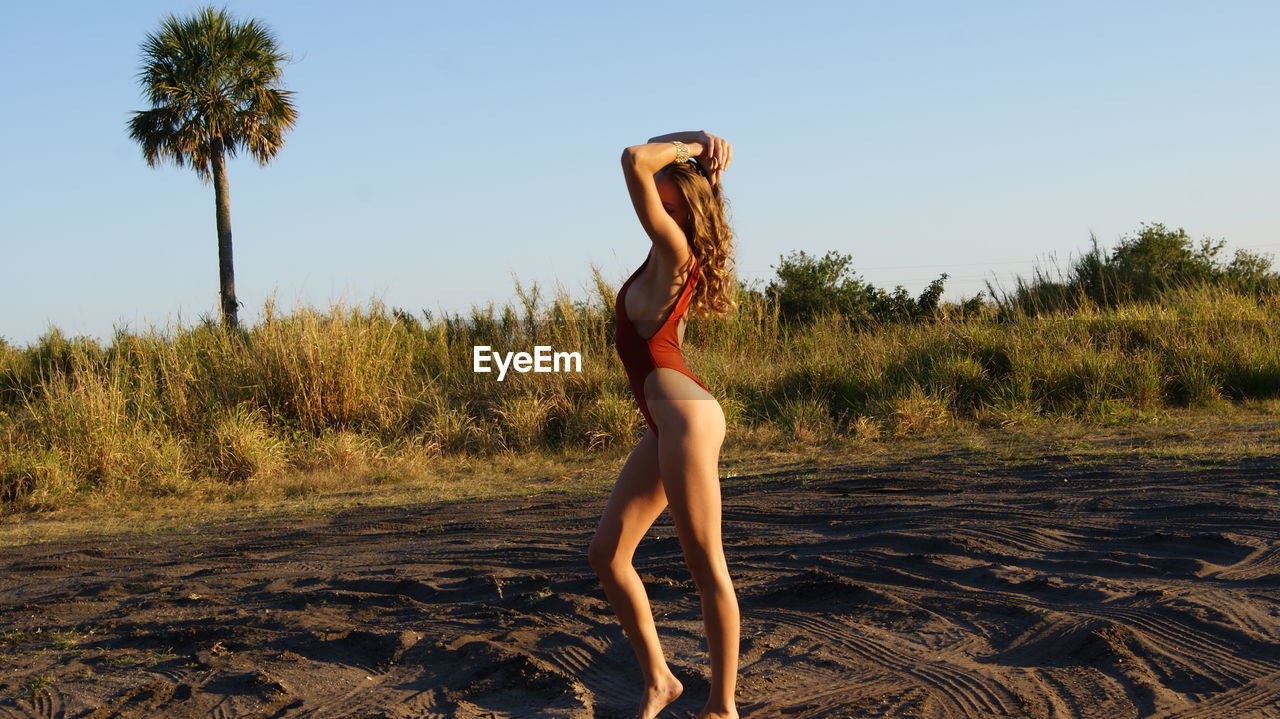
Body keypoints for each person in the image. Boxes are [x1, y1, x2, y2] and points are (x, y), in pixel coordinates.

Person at [588, 130, 740, 719]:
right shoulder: (667, 251)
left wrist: (690, 143)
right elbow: (647, 156)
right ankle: (660, 680)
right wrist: (699, 147)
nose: (653, 198)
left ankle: (722, 709)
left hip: (685, 418)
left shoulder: (674, 248)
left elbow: (634, 158)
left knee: (707, 568)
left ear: (679, 207)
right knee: (607, 553)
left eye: (665, 196)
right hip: (667, 421)